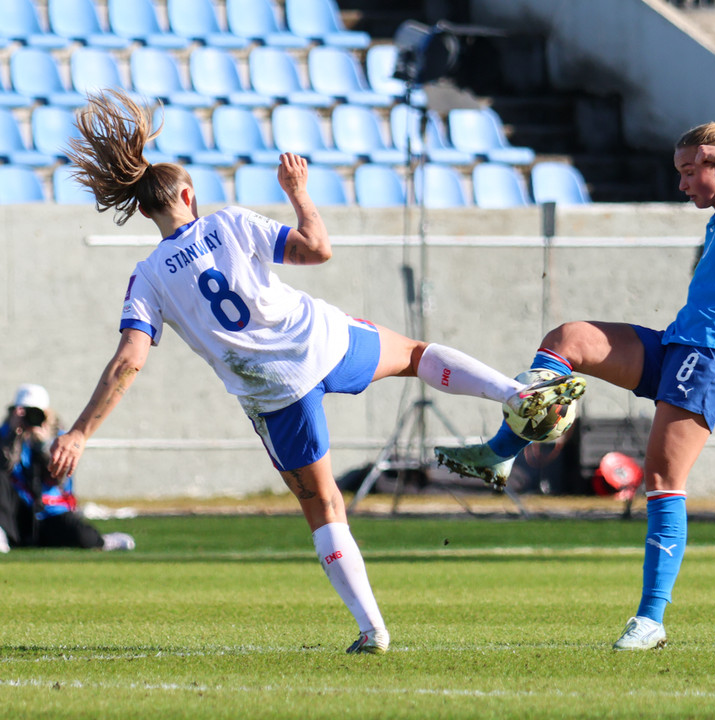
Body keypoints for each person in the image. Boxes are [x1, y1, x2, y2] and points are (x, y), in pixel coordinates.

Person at [48, 90, 585, 654]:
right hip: (322, 341)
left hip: (274, 393)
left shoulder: (148, 276)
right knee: (416, 355)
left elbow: (129, 360)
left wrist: (80, 432)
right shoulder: (229, 222)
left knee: (325, 506)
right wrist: (299, 193)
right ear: (188, 196)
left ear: (143, 211)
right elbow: (316, 248)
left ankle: (372, 629)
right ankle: (515, 392)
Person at [436, 121, 715, 650]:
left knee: (662, 477)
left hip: (713, 358)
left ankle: (651, 619)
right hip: (679, 344)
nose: (681, 184)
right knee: (568, 340)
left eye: (689, 171)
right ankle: (500, 452)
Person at [0, 384, 135, 552]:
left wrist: (42, 446)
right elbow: (4, 468)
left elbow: (57, 478)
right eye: (24, 412)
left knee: (82, 536)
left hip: (48, 512)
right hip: (16, 513)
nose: (29, 418)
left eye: (36, 412)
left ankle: (102, 541)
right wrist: (12, 438)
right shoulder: (4, 437)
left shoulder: (60, 439)